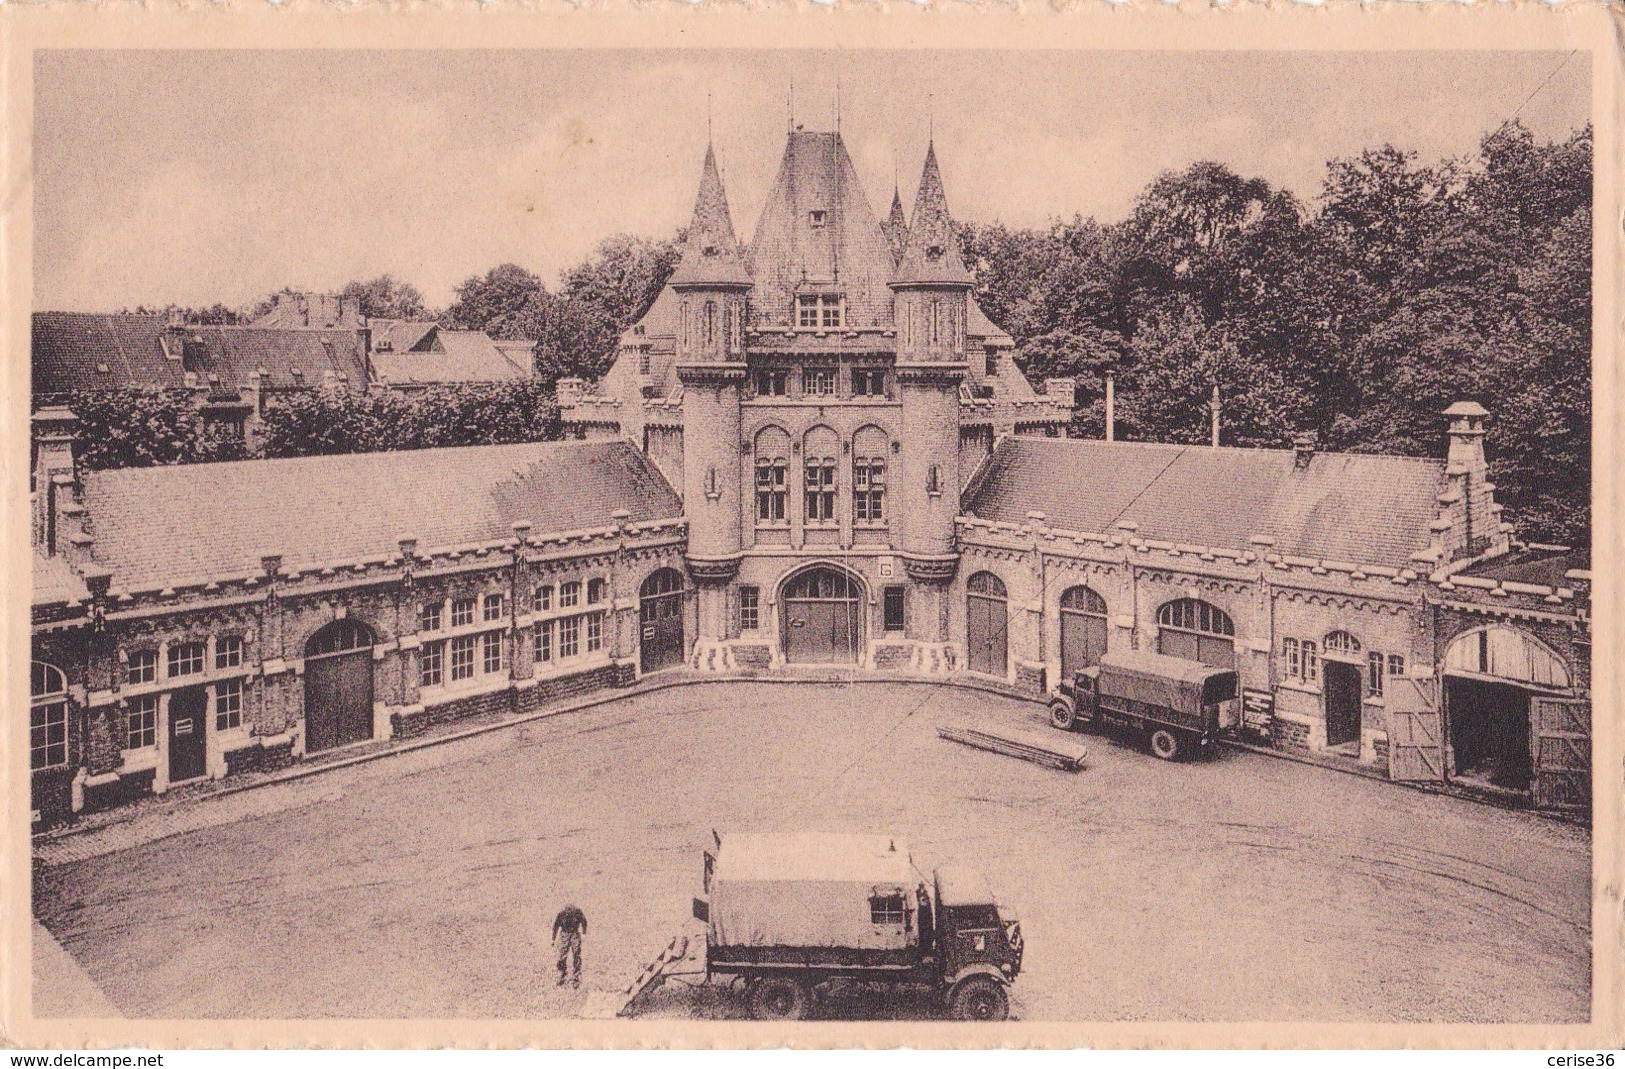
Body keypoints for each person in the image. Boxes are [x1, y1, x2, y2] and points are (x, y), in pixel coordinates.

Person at [552, 904, 588, 988]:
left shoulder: (577, 912)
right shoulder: (562, 914)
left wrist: (584, 933)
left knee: (576, 954)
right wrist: (553, 939)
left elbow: (584, 921)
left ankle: (576, 977)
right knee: (562, 955)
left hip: (575, 934)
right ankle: (562, 974)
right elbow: (556, 925)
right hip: (564, 934)